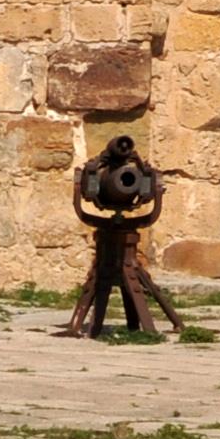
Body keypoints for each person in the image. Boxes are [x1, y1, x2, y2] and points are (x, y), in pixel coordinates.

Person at [64, 134, 179, 339]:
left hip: (122, 247)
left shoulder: (135, 173)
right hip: (110, 244)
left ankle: (90, 327)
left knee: (123, 274)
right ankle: (142, 330)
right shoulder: (101, 174)